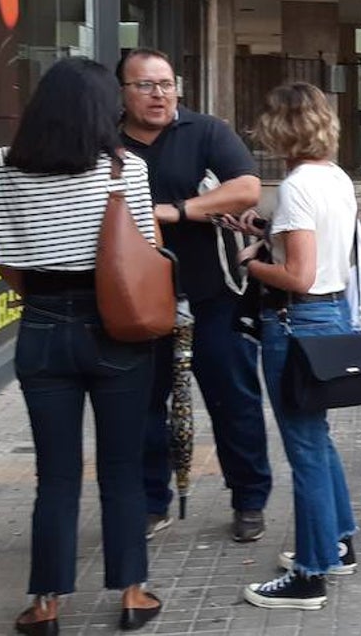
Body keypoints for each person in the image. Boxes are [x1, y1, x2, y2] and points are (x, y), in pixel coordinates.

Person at [0, 58, 162, 633]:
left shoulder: (9, 174)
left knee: (55, 474)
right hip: (114, 328)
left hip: (40, 328)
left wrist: (43, 295)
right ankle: (133, 594)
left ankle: (46, 604)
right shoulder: (124, 169)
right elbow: (143, 254)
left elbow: (7, 263)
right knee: (121, 466)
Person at [116, 48, 270, 544]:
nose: (158, 94)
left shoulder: (206, 132)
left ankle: (249, 498)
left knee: (234, 399)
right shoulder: (106, 142)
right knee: (141, 405)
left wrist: (178, 211)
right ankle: (149, 500)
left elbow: (246, 188)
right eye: (144, 85)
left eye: (166, 83)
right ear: (123, 92)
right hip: (134, 299)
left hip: (212, 293)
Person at [230, 83, 359, 610]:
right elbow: (325, 252)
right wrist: (267, 230)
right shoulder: (336, 178)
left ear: (283, 126)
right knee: (319, 440)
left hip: (297, 320)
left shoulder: (298, 186)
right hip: (329, 315)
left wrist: (252, 262)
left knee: (304, 449)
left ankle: (310, 574)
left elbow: (299, 276)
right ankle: (339, 541)